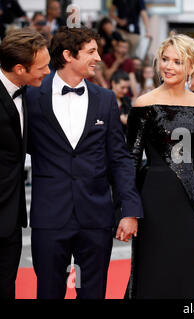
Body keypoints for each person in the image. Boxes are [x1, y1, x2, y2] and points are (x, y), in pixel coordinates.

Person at [25, 26, 144, 299]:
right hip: (50, 215)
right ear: (68, 55)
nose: (98, 58)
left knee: (90, 292)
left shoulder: (104, 99)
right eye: (91, 52)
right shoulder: (32, 96)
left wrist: (129, 209)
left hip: (95, 217)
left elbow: (119, 157)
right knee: (48, 292)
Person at [124, 34, 194, 299]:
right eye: (164, 59)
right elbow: (130, 160)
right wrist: (128, 210)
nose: (168, 66)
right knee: (152, 269)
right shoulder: (144, 104)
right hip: (154, 198)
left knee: (186, 271)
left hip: (192, 205)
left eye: (177, 61)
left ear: (191, 67)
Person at [0, 28, 50, 299]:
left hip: (11, 219)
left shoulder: (26, 94)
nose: (47, 71)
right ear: (20, 68)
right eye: (42, 67)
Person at [111, 70, 132, 134]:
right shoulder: (104, 99)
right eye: (122, 87)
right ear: (113, 84)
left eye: (127, 88)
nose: (125, 91)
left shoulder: (127, 100)